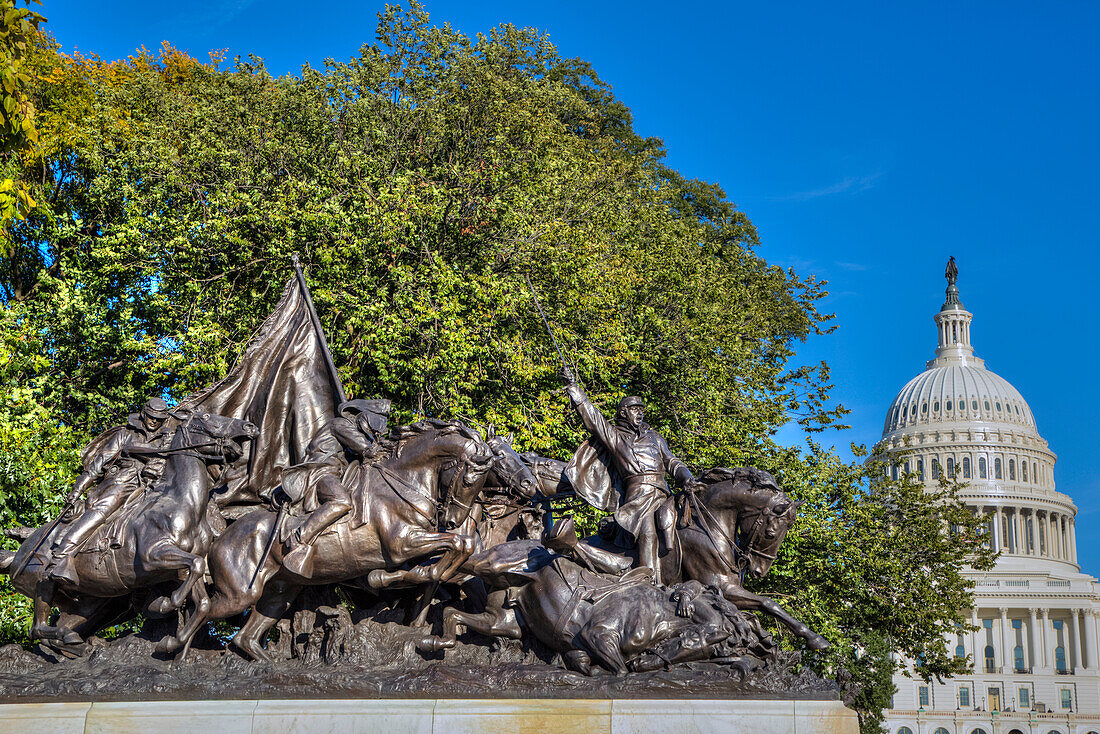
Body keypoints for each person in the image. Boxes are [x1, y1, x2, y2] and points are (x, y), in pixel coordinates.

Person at [559, 368, 696, 585]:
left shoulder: (655, 437)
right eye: (634, 409)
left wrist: (686, 476)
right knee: (648, 533)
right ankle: (648, 584)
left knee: (692, 524)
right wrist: (573, 387)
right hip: (639, 498)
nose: (639, 413)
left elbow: (671, 461)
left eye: (641, 409)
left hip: (664, 493)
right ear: (623, 412)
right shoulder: (616, 437)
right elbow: (593, 418)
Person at [48, 397, 175, 583]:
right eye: (151, 416)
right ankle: (60, 557)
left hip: (155, 486)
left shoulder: (169, 438)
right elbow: (97, 466)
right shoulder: (125, 435)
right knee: (102, 510)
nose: (154, 421)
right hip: (124, 483)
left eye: (159, 418)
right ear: (143, 414)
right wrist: (77, 490)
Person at [280, 398, 392, 576]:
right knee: (341, 501)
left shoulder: (349, 428)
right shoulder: (339, 424)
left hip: (336, 475)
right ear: (364, 416)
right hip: (319, 473)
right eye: (374, 424)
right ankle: (299, 538)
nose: (374, 431)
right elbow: (365, 448)